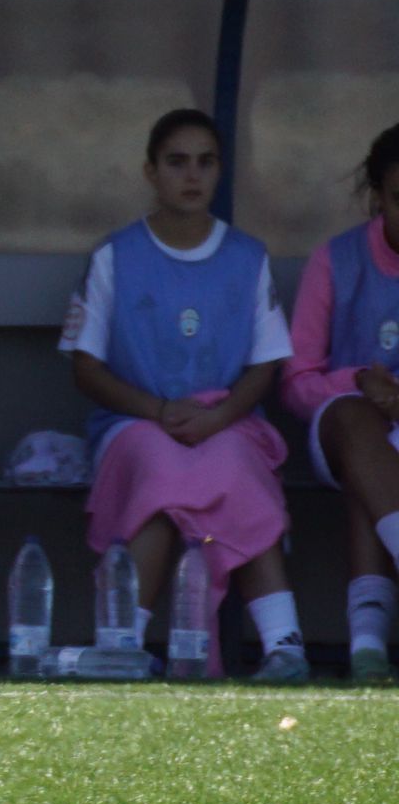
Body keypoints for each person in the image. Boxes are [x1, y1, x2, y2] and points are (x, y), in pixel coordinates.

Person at [58, 108, 305, 681]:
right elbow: (87, 368)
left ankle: (285, 647)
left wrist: (216, 420)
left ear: (220, 172)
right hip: (136, 422)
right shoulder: (115, 255)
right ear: (150, 172)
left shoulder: (247, 256)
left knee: (239, 467)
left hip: (227, 420)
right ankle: (122, 645)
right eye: (177, 162)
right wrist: (158, 410)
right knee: (159, 470)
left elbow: (264, 368)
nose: (192, 176)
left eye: (205, 162)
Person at [281, 122, 399, 683]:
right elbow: (298, 380)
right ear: (378, 194)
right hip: (341, 425)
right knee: (359, 426)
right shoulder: (336, 259)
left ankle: (368, 648)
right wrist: (360, 381)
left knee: (371, 474)